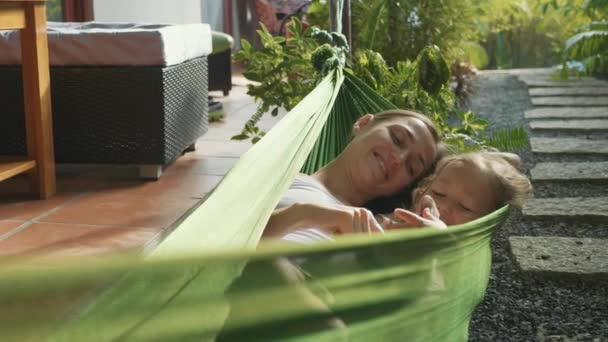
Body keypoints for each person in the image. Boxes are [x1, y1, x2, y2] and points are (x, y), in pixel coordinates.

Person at [262, 109, 442, 241]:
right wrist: (305, 215)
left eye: (411, 168)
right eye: (397, 139)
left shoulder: (381, 231)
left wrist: (435, 246)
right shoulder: (278, 180)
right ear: (363, 124)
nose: (399, 159)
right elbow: (236, 234)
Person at [376, 151, 533, 230]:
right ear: (420, 193)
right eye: (438, 193)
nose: (443, 207)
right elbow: (514, 158)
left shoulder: (460, 257)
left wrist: (436, 241)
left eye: (465, 206)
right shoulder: (391, 220)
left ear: (486, 223)